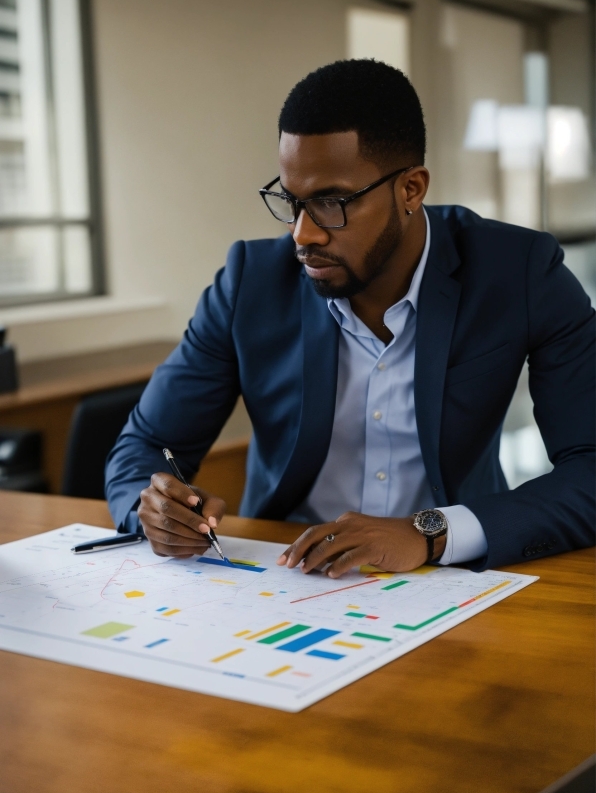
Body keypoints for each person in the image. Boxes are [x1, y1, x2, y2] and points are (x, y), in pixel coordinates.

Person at [105, 59, 595, 578]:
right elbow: (146, 446)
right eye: (291, 202)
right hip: (284, 577)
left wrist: (429, 533)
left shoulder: (518, 271)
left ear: (411, 189)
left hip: (451, 575)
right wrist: (154, 508)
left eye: (332, 202)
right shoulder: (250, 281)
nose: (303, 234)